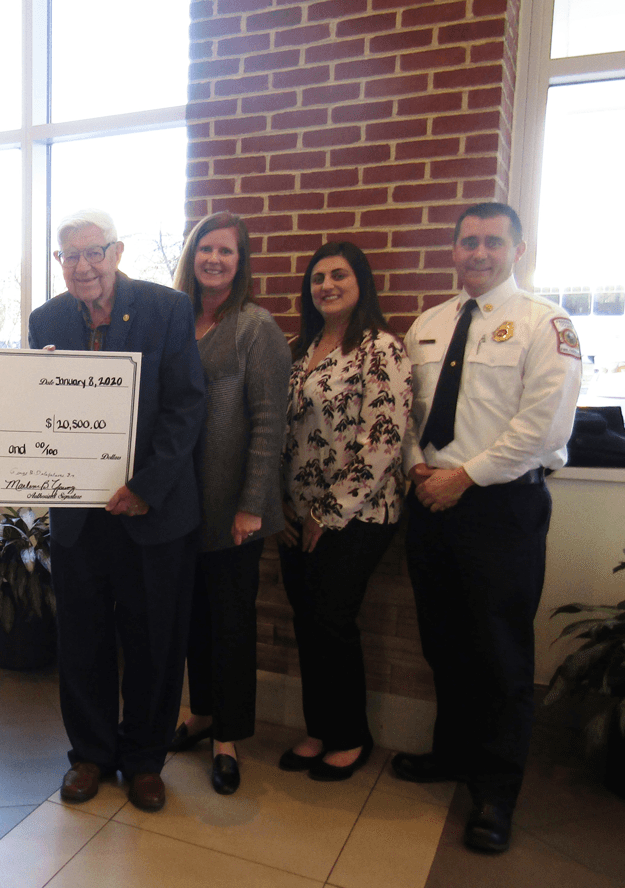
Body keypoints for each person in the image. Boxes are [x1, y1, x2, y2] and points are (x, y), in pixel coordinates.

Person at [395, 202, 581, 854]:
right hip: (429, 502)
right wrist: (420, 468)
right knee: (444, 643)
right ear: (454, 249)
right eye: (468, 241)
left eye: (492, 242)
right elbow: (408, 412)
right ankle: (451, 755)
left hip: (500, 509)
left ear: (517, 249)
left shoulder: (545, 323)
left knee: (501, 657)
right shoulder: (428, 324)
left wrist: (463, 477)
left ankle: (496, 793)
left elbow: (544, 428)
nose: (478, 252)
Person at [28, 209, 206, 812]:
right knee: (82, 637)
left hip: (152, 512)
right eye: (69, 256)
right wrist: (38, 382)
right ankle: (91, 755)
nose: (82, 266)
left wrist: (145, 487)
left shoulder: (167, 309)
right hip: (80, 513)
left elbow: (186, 408)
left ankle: (145, 760)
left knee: (155, 639)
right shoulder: (46, 319)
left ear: (117, 252)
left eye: (93, 252)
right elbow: (40, 412)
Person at [277, 242, 411, 783]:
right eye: (317, 278)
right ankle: (320, 727)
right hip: (294, 511)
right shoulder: (299, 348)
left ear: (361, 283)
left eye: (339, 275)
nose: (326, 285)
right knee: (306, 619)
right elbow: (283, 432)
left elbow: (383, 440)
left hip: (358, 512)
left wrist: (326, 513)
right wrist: (282, 505)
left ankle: (351, 735)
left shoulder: (382, 348)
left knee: (332, 618)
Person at [166, 213, 291, 795]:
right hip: (177, 506)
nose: (214, 259)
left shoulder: (254, 327)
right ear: (192, 255)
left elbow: (269, 422)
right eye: (206, 248)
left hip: (231, 510)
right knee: (191, 618)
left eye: (227, 251)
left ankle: (227, 739)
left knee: (231, 624)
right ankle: (200, 714)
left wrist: (251, 506)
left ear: (241, 263)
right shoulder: (174, 320)